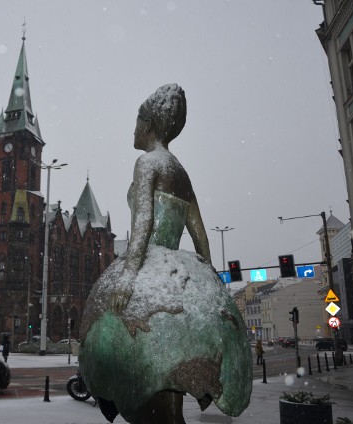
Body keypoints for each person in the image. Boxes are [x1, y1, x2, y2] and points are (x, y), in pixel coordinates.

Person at [79, 84, 252, 424]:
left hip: (149, 269)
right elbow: (198, 231)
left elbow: (143, 220)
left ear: (150, 126)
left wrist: (129, 274)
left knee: (143, 381)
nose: (133, 128)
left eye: (137, 121)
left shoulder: (147, 163)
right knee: (169, 391)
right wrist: (210, 276)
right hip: (181, 275)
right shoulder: (180, 170)